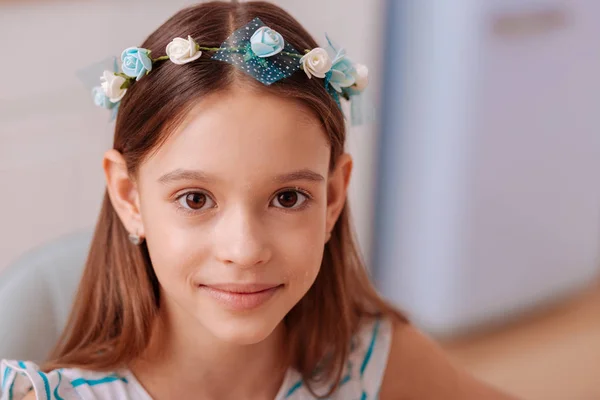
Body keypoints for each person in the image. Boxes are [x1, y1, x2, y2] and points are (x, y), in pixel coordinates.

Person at [1, 1, 517, 399]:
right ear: (128, 195)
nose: (244, 250)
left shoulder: (376, 363)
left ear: (333, 196)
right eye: (196, 198)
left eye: (288, 197)